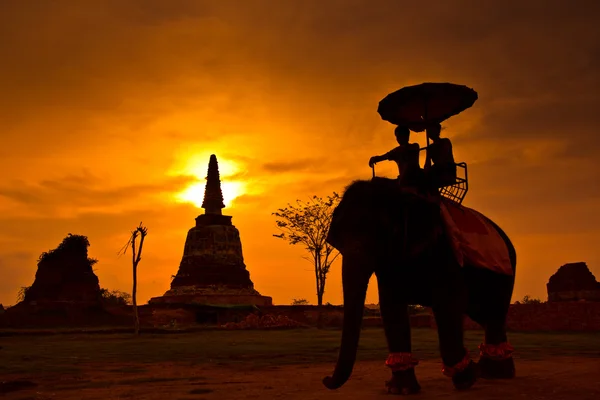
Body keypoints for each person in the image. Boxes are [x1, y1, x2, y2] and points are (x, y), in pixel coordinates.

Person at [424, 123, 457, 190]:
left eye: (432, 130)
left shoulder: (445, 141)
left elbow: (442, 158)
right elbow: (427, 164)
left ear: (438, 131)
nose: (430, 132)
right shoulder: (430, 147)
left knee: (432, 172)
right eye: (429, 131)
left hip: (447, 170)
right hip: (438, 170)